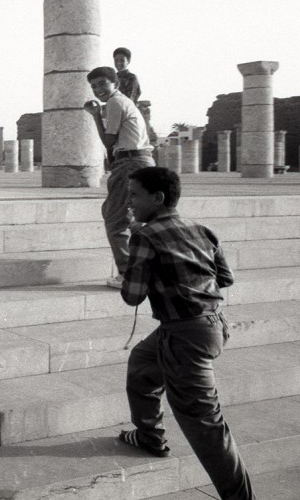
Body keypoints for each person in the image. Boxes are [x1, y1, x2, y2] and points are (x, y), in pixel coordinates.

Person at [118, 167, 253, 500]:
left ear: (157, 198)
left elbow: (132, 295)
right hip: (211, 324)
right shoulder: (201, 229)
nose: (129, 202)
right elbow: (225, 277)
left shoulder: (145, 236)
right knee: (142, 364)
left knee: (204, 423)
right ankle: (149, 435)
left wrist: (138, 250)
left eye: (134, 195)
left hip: (184, 336)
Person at [84, 66, 153, 288]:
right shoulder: (125, 102)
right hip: (141, 162)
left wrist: (96, 116)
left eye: (102, 84)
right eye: (94, 86)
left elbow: (109, 142)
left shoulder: (114, 102)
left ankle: (129, 276)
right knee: (127, 218)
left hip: (129, 164)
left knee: (115, 220)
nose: (98, 90)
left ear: (116, 83)